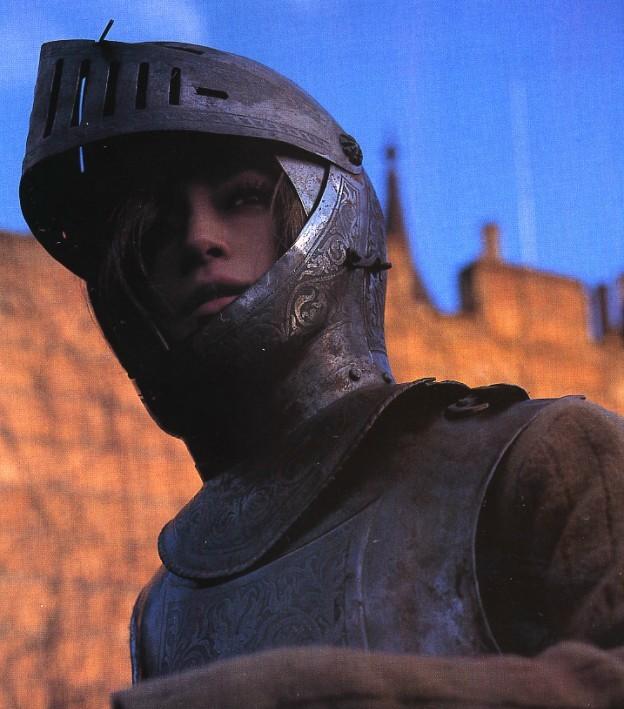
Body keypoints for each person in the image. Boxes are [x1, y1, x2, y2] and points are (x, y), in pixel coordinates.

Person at [20, 37, 624, 709]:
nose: (197, 238)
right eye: (159, 227)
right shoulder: (165, 609)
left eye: (243, 198)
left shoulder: (542, 457)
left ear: (326, 215)